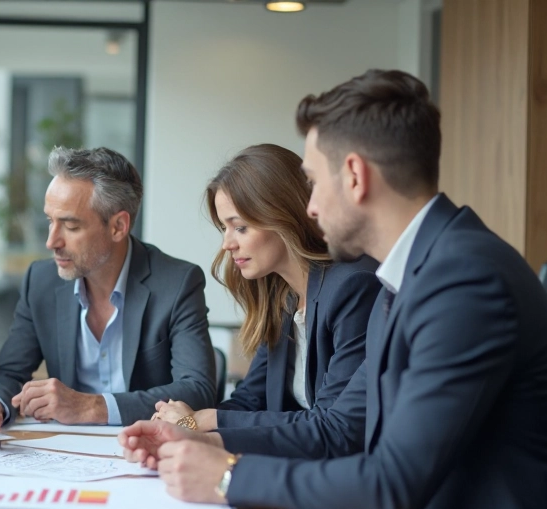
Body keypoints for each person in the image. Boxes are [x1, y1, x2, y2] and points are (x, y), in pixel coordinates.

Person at [120, 69, 547, 509]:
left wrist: (226, 476)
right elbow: (351, 429)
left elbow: (388, 481)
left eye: (311, 181)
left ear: (354, 175)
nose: (307, 205)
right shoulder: (417, 270)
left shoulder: (462, 278)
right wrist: (202, 441)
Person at [0, 146, 215, 449]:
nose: (51, 241)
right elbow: (10, 371)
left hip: (147, 449)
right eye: (49, 221)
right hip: (67, 452)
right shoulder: (40, 281)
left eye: (70, 226)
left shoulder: (177, 282)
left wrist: (90, 406)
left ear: (118, 226)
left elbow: (197, 389)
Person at [153, 144, 379, 431]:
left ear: (284, 217)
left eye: (241, 227)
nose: (227, 244)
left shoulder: (352, 287)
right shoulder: (283, 296)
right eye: (224, 228)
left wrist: (204, 421)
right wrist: (180, 423)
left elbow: (331, 425)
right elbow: (249, 401)